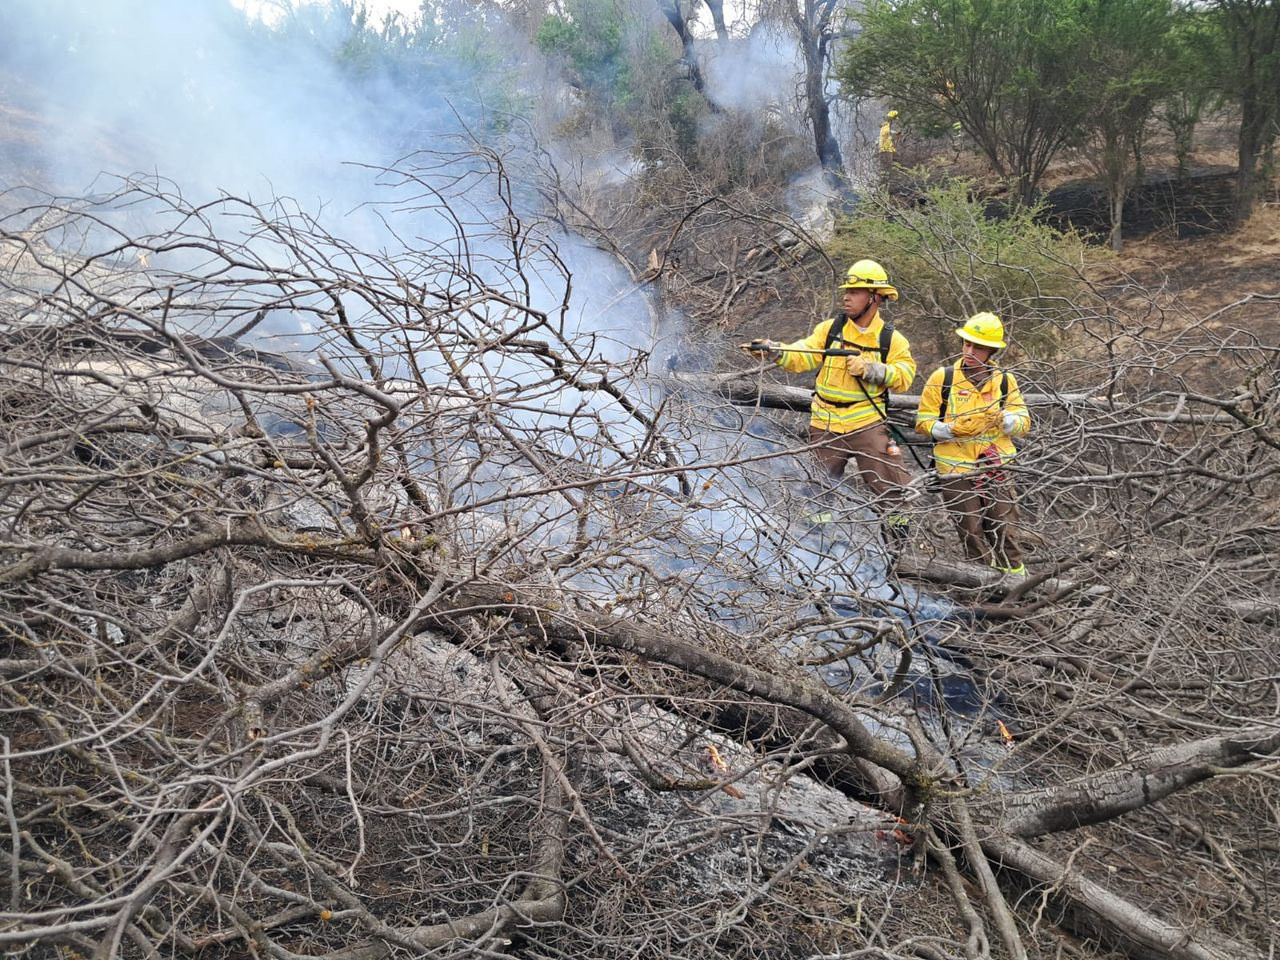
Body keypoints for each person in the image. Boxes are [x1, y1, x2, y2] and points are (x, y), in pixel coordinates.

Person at [747, 259, 917, 546]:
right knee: (817, 490)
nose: (847, 297)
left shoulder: (890, 339)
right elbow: (804, 354)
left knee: (891, 489)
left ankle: (899, 551)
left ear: (874, 298)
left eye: (855, 292)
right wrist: (775, 351)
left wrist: (870, 369)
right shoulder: (831, 329)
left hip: (866, 424)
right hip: (825, 423)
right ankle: (814, 546)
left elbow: (905, 376)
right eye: (847, 291)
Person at [914, 312, 1031, 575]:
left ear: (991, 350)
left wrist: (1006, 420)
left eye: (977, 346)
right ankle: (982, 586)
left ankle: (1017, 583)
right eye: (966, 344)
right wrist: (949, 430)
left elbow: (1024, 422)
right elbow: (923, 422)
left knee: (1005, 529)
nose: (969, 350)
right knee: (971, 531)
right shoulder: (943, 378)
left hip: (997, 465)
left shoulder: (1004, 381)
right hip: (956, 469)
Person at [878, 109, 898, 182]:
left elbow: (887, 133)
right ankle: (885, 181)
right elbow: (886, 132)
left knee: (885, 166)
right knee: (886, 167)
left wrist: (895, 133)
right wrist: (894, 133)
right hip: (885, 150)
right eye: (894, 119)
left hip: (886, 149)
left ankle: (885, 180)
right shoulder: (886, 125)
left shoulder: (885, 125)